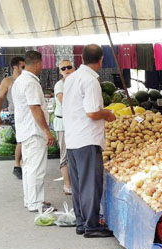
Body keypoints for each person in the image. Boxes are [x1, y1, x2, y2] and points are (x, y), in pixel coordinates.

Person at [63, 44, 117, 238]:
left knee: (78, 184)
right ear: (101, 59)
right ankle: (92, 226)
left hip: (73, 138)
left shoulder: (71, 78)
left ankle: (81, 222)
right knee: (91, 184)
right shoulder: (90, 80)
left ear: (82, 59)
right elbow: (93, 112)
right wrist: (108, 114)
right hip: (87, 139)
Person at [11, 50, 56, 213]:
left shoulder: (19, 80)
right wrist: (47, 131)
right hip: (34, 131)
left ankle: (31, 200)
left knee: (29, 167)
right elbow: (35, 108)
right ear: (38, 64)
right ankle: (36, 203)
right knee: (36, 169)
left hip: (25, 130)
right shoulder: (30, 83)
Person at [0, 56, 26, 179]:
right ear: (15, 67)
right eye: (22, 66)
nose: (24, 69)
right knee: (21, 140)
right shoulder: (8, 81)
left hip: (27, 113)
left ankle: (23, 164)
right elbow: (0, 99)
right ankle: (17, 166)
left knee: (26, 140)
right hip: (15, 114)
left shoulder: (26, 79)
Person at [54, 59, 75, 195]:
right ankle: (67, 185)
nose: (66, 70)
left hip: (73, 123)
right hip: (63, 124)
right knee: (65, 155)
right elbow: (65, 103)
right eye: (63, 68)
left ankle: (74, 183)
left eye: (69, 67)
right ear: (60, 71)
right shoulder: (60, 85)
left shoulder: (74, 83)